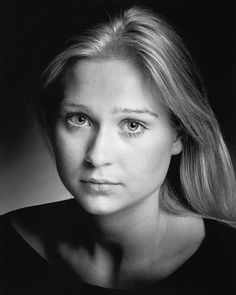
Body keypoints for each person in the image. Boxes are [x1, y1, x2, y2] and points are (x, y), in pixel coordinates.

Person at [1, 6, 236, 295]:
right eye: (79, 119)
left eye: (133, 125)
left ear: (179, 135)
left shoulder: (228, 268)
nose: (97, 156)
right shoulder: (7, 246)